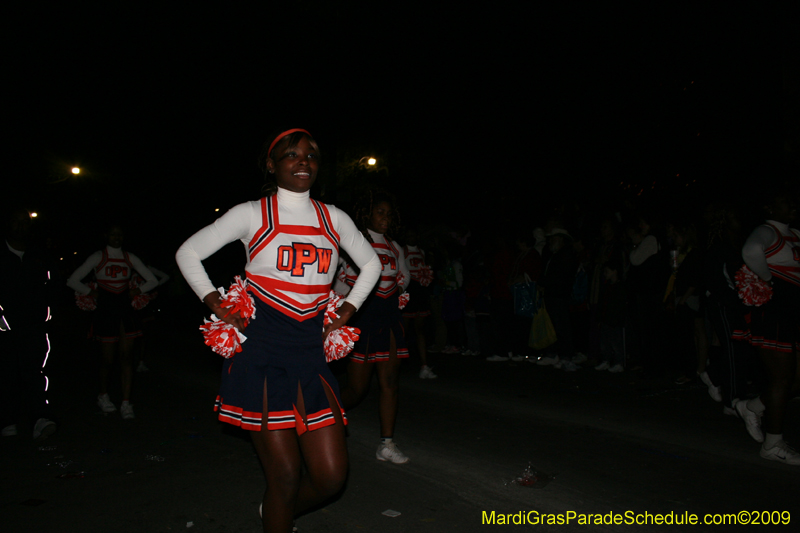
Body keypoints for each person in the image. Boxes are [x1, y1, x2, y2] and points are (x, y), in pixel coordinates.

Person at [176, 129, 381, 531]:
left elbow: (371, 264)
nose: (303, 161)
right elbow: (188, 252)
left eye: (311, 155)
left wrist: (349, 309)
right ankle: (279, 513)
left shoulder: (333, 217)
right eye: (292, 154)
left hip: (310, 354)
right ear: (272, 165)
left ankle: (276, 513)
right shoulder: (252, 213)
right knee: (284, 477)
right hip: (262, 354)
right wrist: (214, 301)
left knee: (330, 477)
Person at [338, 190, 412, 464]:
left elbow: (404, 275)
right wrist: (348, 303)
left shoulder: (394, 245)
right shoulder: (353, 242)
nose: (385, 218)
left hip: (389, 316)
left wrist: (399, 289)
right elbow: (339, 279)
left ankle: (387, 443)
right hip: (363, 316)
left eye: (388, 214)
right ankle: (320, 417)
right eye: (379, 212)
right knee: (358, 390)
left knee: (390, 381)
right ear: (367, 213)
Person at [734, 189, 800, 465]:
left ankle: (751, 406)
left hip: (793, 311)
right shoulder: (766, 231)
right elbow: (750, 251)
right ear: (771, 208)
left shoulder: (794, 234)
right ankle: (772, 444)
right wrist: (766, 278)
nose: (793, 207)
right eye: (786, 202)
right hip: (777, 312)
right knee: (782, 379)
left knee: (795, 380)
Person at [67, 224, 158, 420]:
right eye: (113, 233)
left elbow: (153, 280)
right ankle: (103, 395)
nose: (116, 237)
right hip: (106, 310)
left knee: (127, 357)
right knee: (107, 360)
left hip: (125, 310)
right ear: (106, 234)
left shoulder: (129, 257)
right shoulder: (98, 256)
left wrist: (136, 291)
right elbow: (72, 280)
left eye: (120, 233)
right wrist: (91, 292)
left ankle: (126, 402)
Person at [1, 208, 57, 440]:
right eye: (16, 222)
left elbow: (52, 286)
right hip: (5, 326)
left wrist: (49, 314)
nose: (21, 227)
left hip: (34, 325)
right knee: (6, 372)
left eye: (25, 223)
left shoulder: (39, 255)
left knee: (35, 370)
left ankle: (39, 418)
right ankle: (7, 419)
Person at [401, 227, 437, 378]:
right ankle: (395, 363)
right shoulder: (402, 251)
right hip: (409, 290)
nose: (411, 237)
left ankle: (424, 365)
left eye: (413, 234)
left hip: (420, 292)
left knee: (420, 329)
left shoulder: (422, 252)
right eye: (408, 234)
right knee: (403, 329)